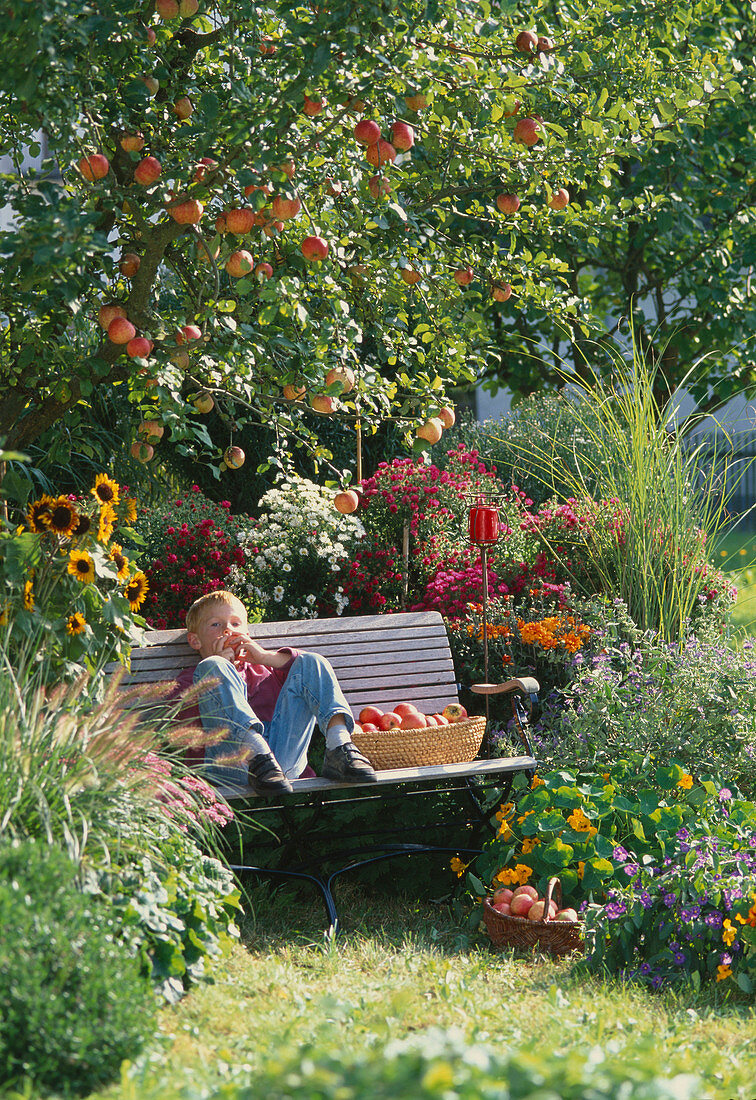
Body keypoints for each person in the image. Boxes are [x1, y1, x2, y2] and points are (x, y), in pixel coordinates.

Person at [174, 590, 377, 794]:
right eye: (216, 624)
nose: (228, 630)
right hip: (227, 767)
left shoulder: (265, 670)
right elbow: (177, 721)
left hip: (282, 764)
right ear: (195, 641)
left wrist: (265, 657)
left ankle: (339, 747)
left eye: (235, 624)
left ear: (247, 633)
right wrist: (220, 669)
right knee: (213, 666)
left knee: (312, 660)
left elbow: (304, 669)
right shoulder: (192, 679)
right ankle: (258, 754)